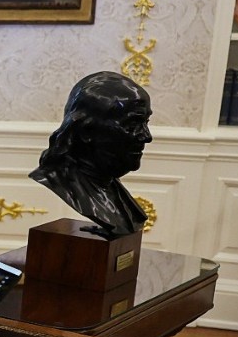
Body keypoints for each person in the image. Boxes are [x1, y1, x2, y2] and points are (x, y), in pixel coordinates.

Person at [29, 71, 152, 237]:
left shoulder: (114, 192)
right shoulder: (59, 180)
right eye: (132, 124)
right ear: (86, 131)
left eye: (146, 122)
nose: (147, 136)